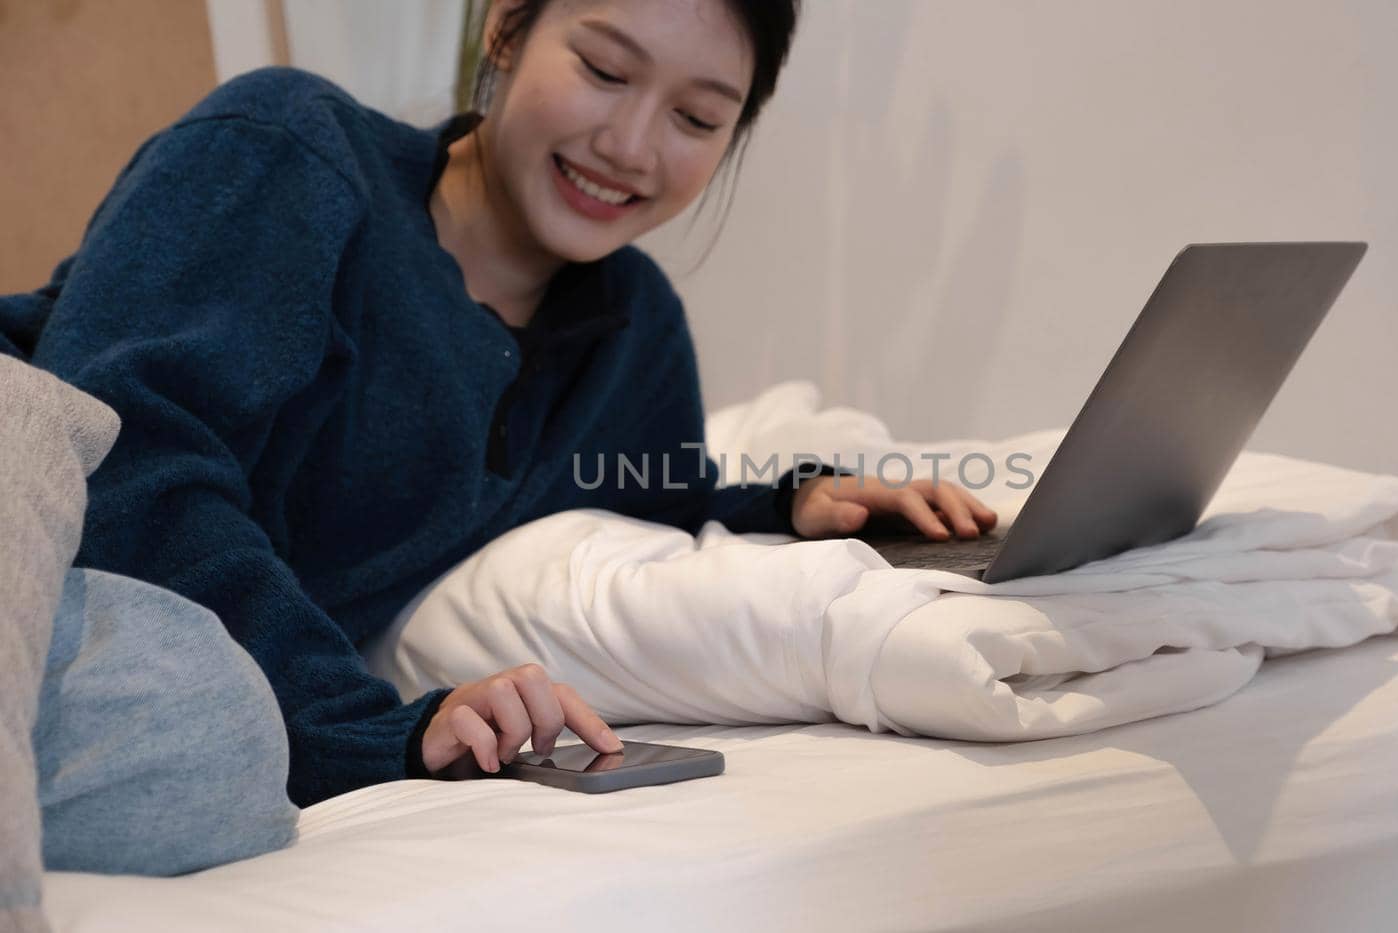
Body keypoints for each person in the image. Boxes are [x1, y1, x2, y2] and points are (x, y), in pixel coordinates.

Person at [2, 0, 998, 815]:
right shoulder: (291, 148)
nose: (631, 146)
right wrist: (363, 724)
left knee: (204, 751)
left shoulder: (629, 323)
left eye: (696, 119)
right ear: (508, 31)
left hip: (123, 612)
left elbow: (635, 484)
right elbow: (130, 454)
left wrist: (791, 504)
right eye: (605, 71)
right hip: (31, 476)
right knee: (208, 743)